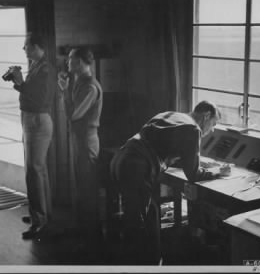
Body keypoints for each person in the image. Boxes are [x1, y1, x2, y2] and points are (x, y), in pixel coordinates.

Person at [110, 101, 226, 264]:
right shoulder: (193, 129)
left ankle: (146, 260)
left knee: (147, 215)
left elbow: (162, 148)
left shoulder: (171, 115)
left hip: (121, 160)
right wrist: (218, 171)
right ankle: (147, 264)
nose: (212, 129)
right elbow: (193, 175)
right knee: (142, 225)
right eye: (213, 123)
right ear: (206, 116)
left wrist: (194, 163)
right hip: (136, 168)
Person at [9, 32, 55, 239]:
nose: (24, 49)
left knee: (33, 171)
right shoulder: (38, 66)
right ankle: (43, 215)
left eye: (26, 46)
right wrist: (20, 83)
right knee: (39, 170)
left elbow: (39, 99)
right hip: (33, 119)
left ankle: (40, 221)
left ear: (36, 46)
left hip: (37, 120)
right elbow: (32, 93)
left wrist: (20, 82)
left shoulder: (45, 69)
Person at [57, 47, 103, 243]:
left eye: (73, 60)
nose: (69, 63)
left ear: (84, 63)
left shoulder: (91, 87)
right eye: (69, 59)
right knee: (81, 184)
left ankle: (92, 231)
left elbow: (74, 115)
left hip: (87, 141)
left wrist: (65, 91)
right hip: (79, 139)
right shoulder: (80, 81)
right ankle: (83, 228)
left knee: (87, 186)